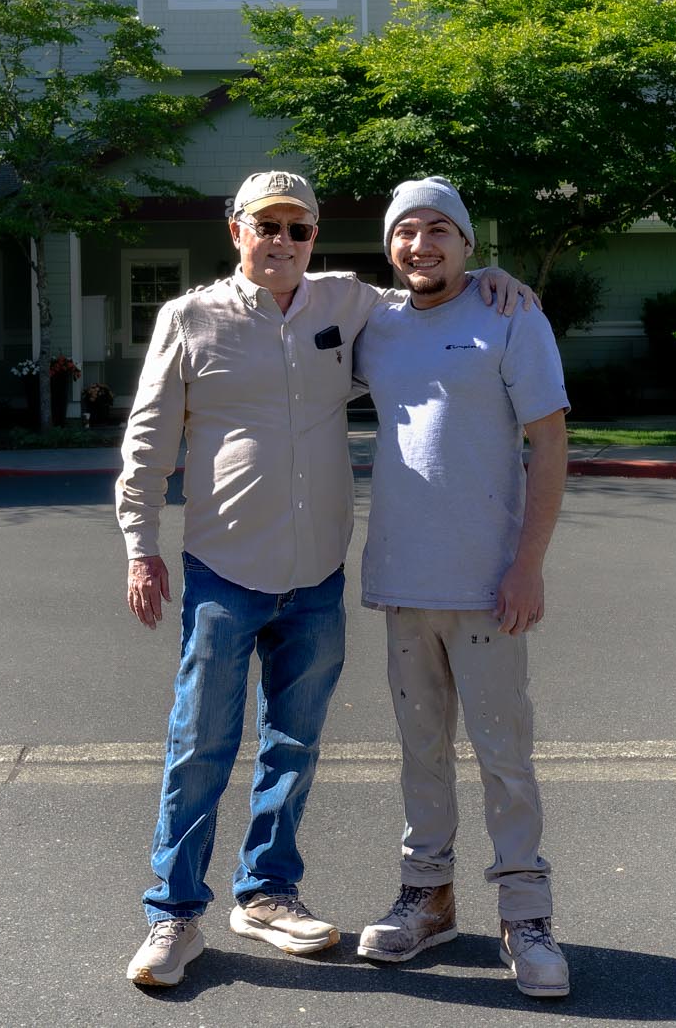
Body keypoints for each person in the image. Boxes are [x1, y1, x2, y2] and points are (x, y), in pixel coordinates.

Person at [116, 170, 533, 989]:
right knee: (199, 745)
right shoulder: (190, 318)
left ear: (314, 237)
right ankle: (173, 912)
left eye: (298, 228)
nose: (281, 241)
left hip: (315, 579)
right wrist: (141, 544)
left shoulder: (348, 303)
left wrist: (490, 275)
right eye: (265, 225)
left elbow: (429, 286)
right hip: (224, 569)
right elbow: (149, 438)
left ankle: (266, 892)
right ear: (235, 230)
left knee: (295, 744)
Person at [350, 177, 572, 999]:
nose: (421, 244)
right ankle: (428, 896)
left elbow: (550, 442)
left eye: (439, 229)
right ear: (389, 246)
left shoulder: (510, 315)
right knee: (421, 751)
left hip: (488, 586)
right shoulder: (375, 324)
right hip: (403, 579)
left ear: (468, 242)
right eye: (405, 230)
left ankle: (527, 913)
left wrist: (528, 563)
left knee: (504, 754)